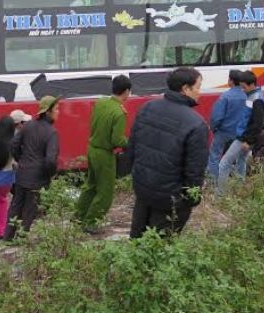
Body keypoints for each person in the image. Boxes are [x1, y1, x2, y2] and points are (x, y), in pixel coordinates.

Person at [128, 67, 208, 238]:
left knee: (137, 240)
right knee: (160, 249)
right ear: (186, 89)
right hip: (170, 199)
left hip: (143, 189)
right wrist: (192, 199)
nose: (200, 92)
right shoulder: (196, 124)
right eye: (198, 87)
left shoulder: (147, 107)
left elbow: (133, 148)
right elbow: (194, 171)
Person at [75, 75, 132, 233]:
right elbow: (117, 140)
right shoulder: (120, 113)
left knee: (90, 186)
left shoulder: (100, 103)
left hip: (92, 148)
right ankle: (91, 222)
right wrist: (131, 144)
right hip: (105, 155)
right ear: (126, 91)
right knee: (105, 192)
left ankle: (78, 216)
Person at [4, 95, 61, 241]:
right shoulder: (51, 132)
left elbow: (13, 145)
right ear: (47, 112)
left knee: (16, 205)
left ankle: (8, 237)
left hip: (22, 173)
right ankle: (22, 238)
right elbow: (50, 159)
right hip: (38, 177)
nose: (58, 111)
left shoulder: (28, 125)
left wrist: (21, 159)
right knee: (30, 209)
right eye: (56, 109)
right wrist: (50, 174)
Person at [217, 71, 264, 194]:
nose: (242, 90)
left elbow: (257, 123)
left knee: (224, 163)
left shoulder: (257, 99)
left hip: (243, 138)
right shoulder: (253, 95)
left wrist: (248, 140)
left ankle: (220, 195)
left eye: (244, 87)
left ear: (252, 84)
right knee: (241, 161)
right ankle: (240, 189)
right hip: (244, 136)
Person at [207, 70, 247, 181]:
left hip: (224, 132)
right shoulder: (247, 96)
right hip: (241, 134)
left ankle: (214, 182)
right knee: (240, 159)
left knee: (214, 156)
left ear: (231, 81)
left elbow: (217, 117)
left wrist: (213, 128)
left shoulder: (225, 96)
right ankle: (240, 183)